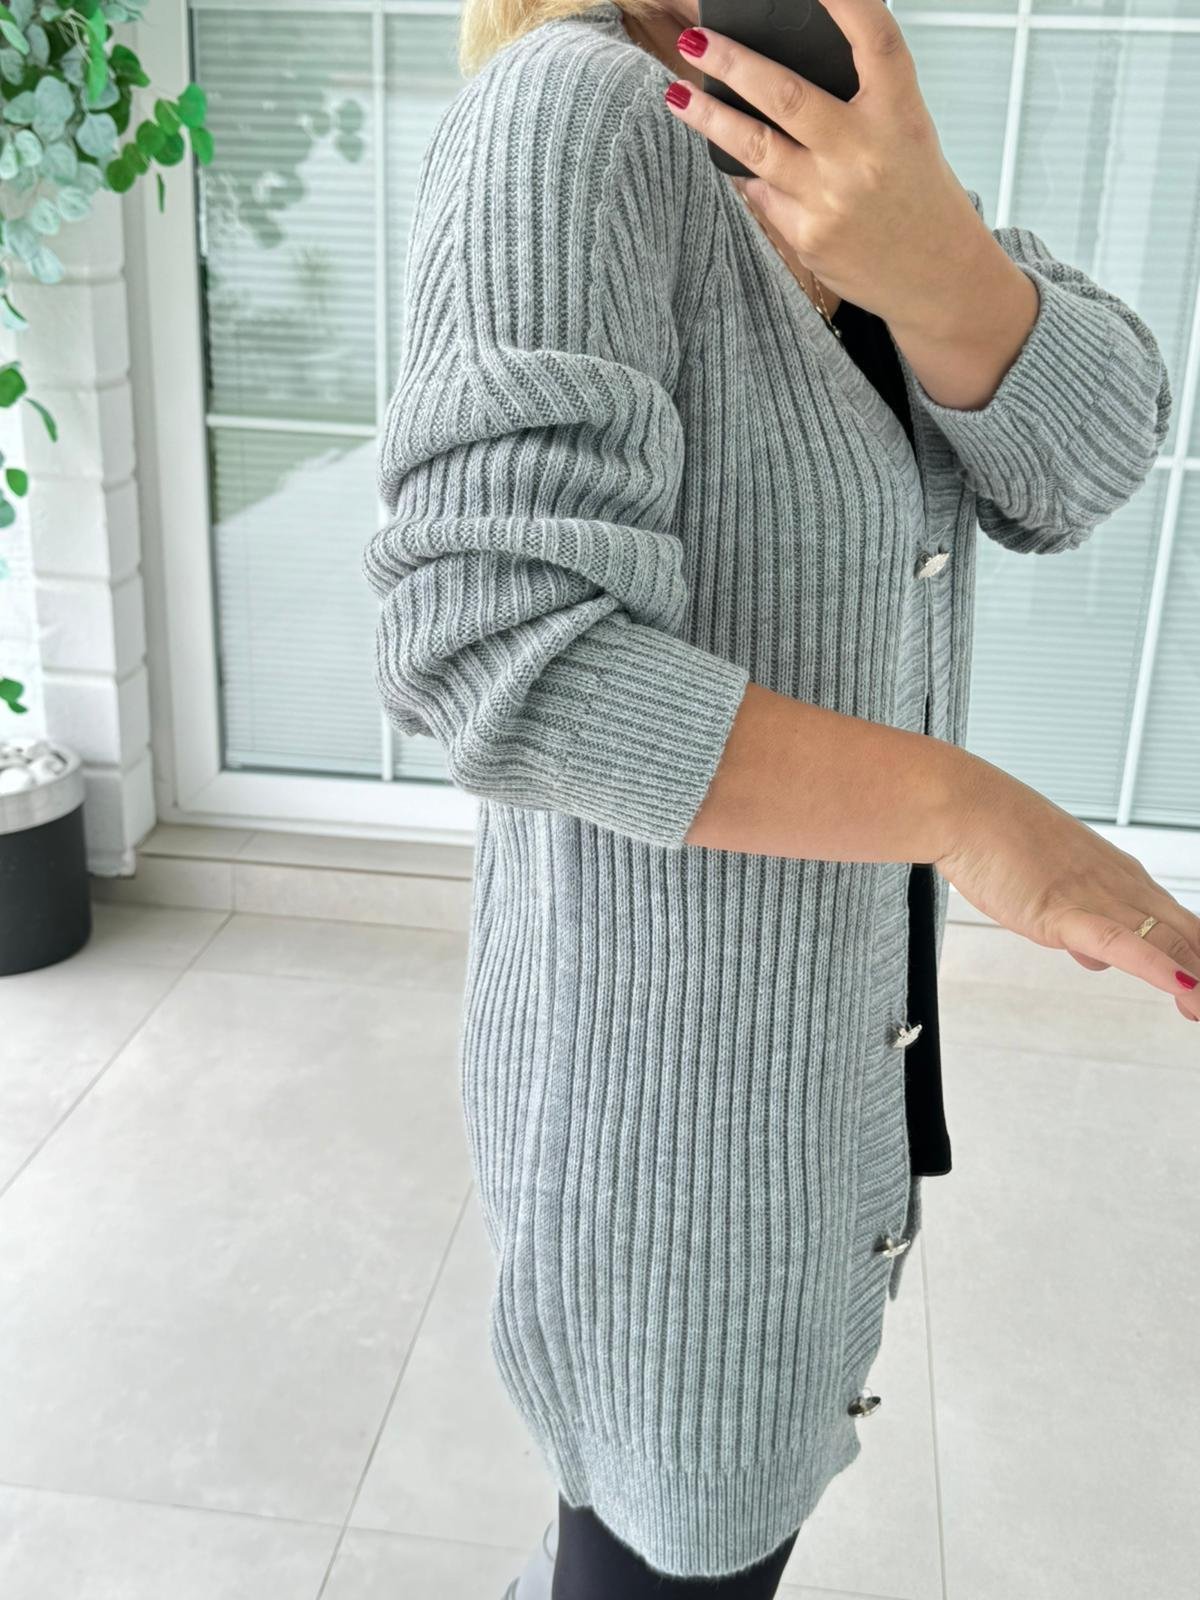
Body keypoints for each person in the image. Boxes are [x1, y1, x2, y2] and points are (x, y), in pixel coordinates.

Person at [362, 2, 1193, 1595]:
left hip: (814, 1101)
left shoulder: (828, 146)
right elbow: (494, 651)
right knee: (671, 1550)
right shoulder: (573, 117)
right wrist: (971, 815)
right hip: (668, 1152)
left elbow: (1090, 464)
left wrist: (944, 268)